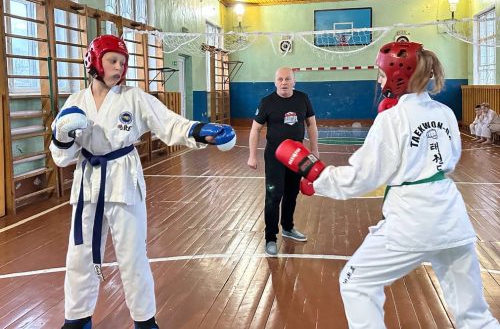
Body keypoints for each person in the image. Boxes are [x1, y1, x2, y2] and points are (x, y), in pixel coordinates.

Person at [275, 41, 499, 328]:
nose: (379, 81)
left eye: (381, 75)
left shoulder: (392, 119)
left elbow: (362, 178)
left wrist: (316, 177)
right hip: (453, 218)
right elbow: (451, 158)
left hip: (413, 220)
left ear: (398, 77)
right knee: (475, 316)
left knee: (357, 283)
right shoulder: (444, 112)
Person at [50, 35, 236, 329]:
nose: (119, 68)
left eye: (123, 63)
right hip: (87, 186)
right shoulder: (75, 103)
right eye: (113, 61)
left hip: (124, 181)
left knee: (133, 257)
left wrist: (199, 131)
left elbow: (168, 122)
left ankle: (144, 321)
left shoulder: (134, 98)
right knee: (79, 257)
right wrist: (61, 137)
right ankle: (76, 319)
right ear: (94, 62)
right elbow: (62, 157)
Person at [247, 67, 319, 257]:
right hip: (275, 156)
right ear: (275, 82)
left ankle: (287, 227)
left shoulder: (303, 99)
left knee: (292, 193)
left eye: (287, 79)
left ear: (294, 81)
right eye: (280, 79)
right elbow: (255, 129)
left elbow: (311, 124)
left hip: (297, 156)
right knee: (274, 195)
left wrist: (315, 150)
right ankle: (270, 238)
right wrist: (252, 155)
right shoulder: (267, 102)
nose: (284, 82)